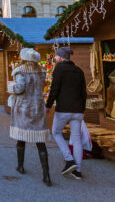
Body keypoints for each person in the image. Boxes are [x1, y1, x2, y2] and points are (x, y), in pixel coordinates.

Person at [9, 48, 52, 187]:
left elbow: (20, 87)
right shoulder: (42, 71)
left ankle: (20, 166)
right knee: (40, 142)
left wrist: (12, 88)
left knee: (21, 138)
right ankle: (46, 175)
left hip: (24, 107)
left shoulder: (20, 71)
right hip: (37, 107)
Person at [46, 46, 87, 180]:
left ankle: (69, 160)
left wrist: (48, 106)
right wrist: (82, 109)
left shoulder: (59, 69)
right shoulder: (79, 71)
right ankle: (78, 171)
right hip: (78, 110)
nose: (55, 57)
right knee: (76, 139)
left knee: (56, 133)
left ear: (62, 57)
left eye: (56, 56)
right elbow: (83, 93)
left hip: (63, 109)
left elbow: (54, 89)